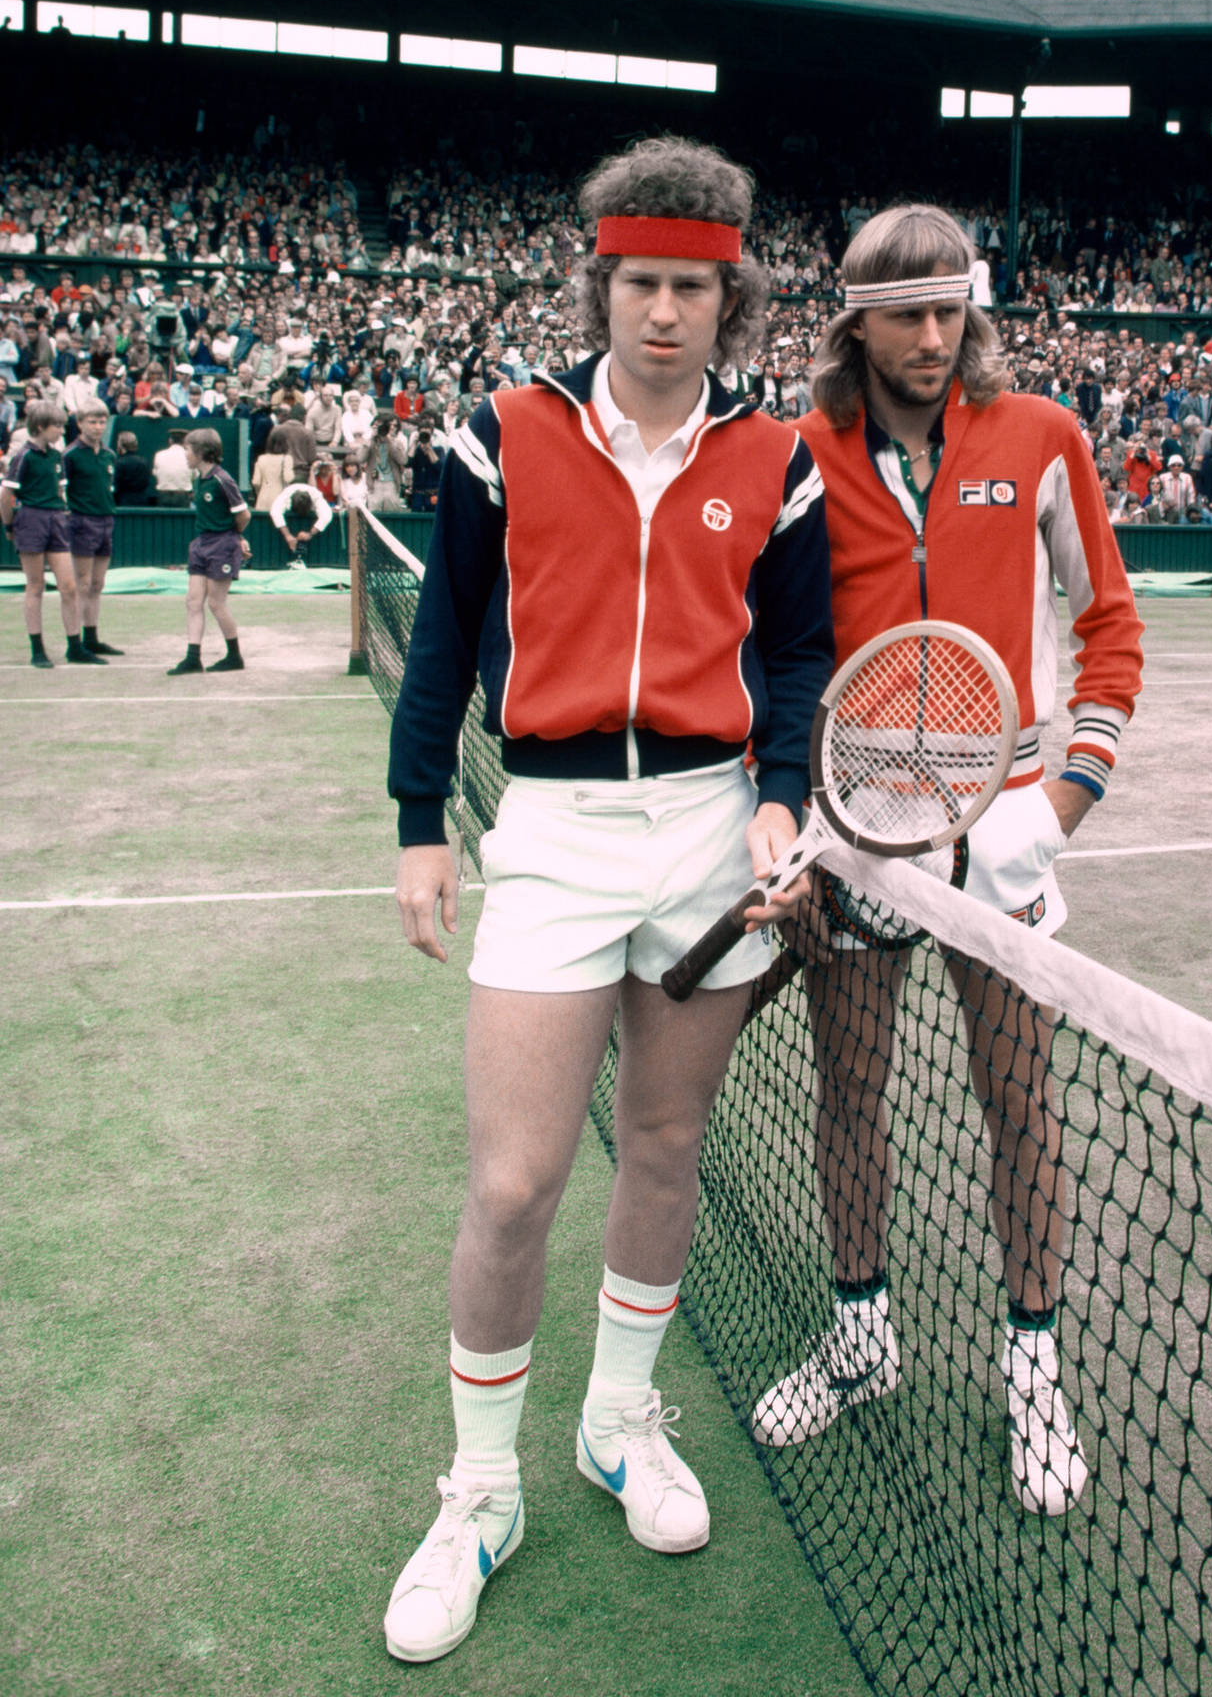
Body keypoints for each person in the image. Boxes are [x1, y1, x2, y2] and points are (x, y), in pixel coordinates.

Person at [382, 137, 834, 1664]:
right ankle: (479, 1489)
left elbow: (792, 659)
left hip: (714, 832)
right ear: (604, 282)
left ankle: (621, 1422)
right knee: (513, 1183)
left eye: (693, 288)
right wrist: (416, 823)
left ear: (731, 298)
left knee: (666, 1141)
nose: (663, 313)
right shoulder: (500, 434)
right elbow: (443, 637)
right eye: (641, 282)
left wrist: (781, 798)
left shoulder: (780, 461)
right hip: (558, 834)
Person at [753, 204, 1143, 1519]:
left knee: (1018, 1103)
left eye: (951, 309)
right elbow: (776, 660)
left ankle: (1034, 1368)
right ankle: (864, 1336)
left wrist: (1064, 805)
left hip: (1010, 838)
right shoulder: (800, 454)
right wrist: (801, 826)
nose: (933, 337)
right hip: (859, 841)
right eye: (906, 313)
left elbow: (1112, 631)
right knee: (850, 1092)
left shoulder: (1043, 439)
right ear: (854, 321)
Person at [1, 400, 98, 668]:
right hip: (31, 519)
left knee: (68, 586)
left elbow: (59, 490)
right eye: (56, 426)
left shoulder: (57, 457)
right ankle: (38, 649)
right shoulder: (23, 456)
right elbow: (6, 494)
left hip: (56, 519)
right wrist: (9, 526)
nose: (60, 430)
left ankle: (75, 647)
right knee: (36, 586)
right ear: (41, 427)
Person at [167, 427, 250, 674]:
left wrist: (233, 538)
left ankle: (235, 656)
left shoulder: (223, 480)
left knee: (215, 603)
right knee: (193, 601)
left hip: (221, 546)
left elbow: (244, 515)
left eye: (188, 450)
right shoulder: (199, 479)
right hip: (201, 544)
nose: (185, 455)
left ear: (202, 452)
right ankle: (193, 658)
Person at [62, 401, 122, 655]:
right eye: (92, 422)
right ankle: (76, 644)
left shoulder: (109, 455)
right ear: (80, 424)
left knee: (98, 583)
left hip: (106, 519)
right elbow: (62, 491)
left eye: (101, 422)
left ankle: (92, 637)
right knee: (82, 583)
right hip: (82, 521)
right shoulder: (70, 455)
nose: (98, 427)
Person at [270, 482, 333, 566]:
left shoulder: (316, 495)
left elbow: (327, 515)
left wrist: (310, 534)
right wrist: (287, 536)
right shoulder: (286, 494)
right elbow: (275, 512)